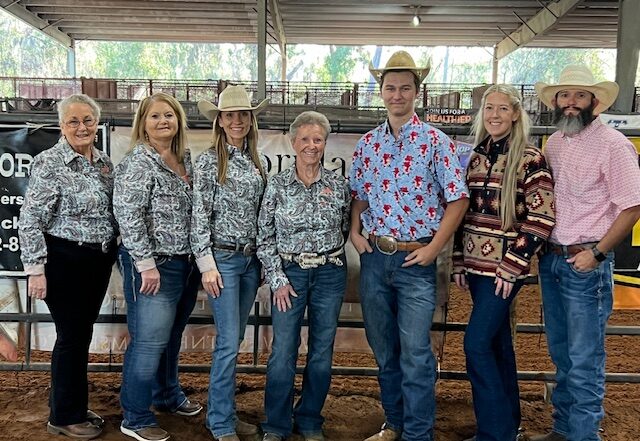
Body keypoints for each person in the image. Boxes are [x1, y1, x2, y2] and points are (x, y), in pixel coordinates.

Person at [349, 51, 469, 441]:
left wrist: (434, 249)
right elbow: (359, 195)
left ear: (417, 92)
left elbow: (458, 199)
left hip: (416, 259)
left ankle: (418, 432)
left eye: (404, 88)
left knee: (416, 352)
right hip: (375, 259)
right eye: (390, 88)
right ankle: (395, 423)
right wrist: (354, 231)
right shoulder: (368, 144)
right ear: (381, 92)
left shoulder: (436, 142)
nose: (397, 95)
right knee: (384, 350)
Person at [530, 65, 640, 441]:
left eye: (579, 95)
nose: (571, 102)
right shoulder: (555, 143)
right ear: (556, 101)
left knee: (584, 358)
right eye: (565, 95)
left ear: (594, 101)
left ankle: (583, 435)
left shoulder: (614, 145)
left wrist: (598, 253)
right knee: (563, 353)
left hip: (585, 261)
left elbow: (632, 206)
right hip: (554, 257)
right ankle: (564, 430)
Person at [451, 85, 555, 441]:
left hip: (503, 270)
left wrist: (513, 264)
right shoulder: (475, 156)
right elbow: (462, 213)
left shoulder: (530, 159)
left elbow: (541, 217)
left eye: (502, 109)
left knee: (476, 344)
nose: (494, 115)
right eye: (489, 108)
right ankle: (509, 424)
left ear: (514, 114)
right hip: (476, 268)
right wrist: (458, 259)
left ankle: (494, 432)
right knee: (496, 345)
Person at [18, 94, 117, 439]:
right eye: (73, 121)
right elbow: (30, 219)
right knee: (72, 337)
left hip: (96, 260)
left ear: (97, 123)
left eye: (88, 120)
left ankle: (71, 404)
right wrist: (35, 269)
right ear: (61, 126)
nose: (82, 127)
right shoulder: (49, 162)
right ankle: (63, 416)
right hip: (64, 260)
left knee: (79, 335)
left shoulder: (103, 163)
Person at [114, 92, 202, 441]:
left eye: (169, 115)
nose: (163, 121)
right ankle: (135, 417)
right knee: (149, 341)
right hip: (154, 264)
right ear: (143, 123)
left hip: (185, 262)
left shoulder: (184, 159)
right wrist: (145, 264)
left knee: (171, 335)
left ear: (178, 120)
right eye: (155, 116)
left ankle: (166, 394)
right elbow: (128, 215)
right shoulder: (138, 161)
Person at [258, 111, 351, 441]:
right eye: (305, 139)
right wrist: (277, 278)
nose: (312, 145)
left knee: (322, 350)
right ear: (293, 142)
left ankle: (310, 418)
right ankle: (276, 423)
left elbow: (344, 227)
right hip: (290, 274)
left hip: (330, 273)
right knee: (284, 350)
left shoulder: (339, 185)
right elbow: (264, 235)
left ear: (325, 143)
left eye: (318, 139)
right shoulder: (277, 185)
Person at [191, 85, 268, 441]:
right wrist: (206, 263)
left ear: (250, 120)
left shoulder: (257, 162)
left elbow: (261, 215)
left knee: (233, 338)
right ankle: (220, 421)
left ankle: (224, 414)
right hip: (222, 259)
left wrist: (263, 259)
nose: (237, 121)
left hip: (249, 260)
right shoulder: (209, 161)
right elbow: (199, 215)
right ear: (220, 121)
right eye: (230, 115)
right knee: (227, 341)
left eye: (243, 115)